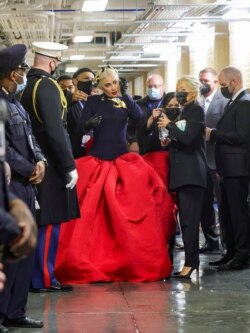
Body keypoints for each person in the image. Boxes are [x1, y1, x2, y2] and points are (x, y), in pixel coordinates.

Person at [54, 66, 176, 283]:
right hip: (98, 160)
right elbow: (81, 127)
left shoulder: (124, 101)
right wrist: (88, 124)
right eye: (107, 84)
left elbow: (138, 117)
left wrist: (126, 96)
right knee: (92, 211)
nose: (112, 87)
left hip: (123, 161)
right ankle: (95, 259)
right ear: (101, 87)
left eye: (115, 83)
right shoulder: (93, 102)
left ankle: (131, 260)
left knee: (135, 207)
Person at [20, 41, 80, 292]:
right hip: (51, 164)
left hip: (38, 160)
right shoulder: (46, 86)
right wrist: (68, 165)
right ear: (53, 62)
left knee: (44, 221)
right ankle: (42, 277)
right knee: (48, 222)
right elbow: (56, 130)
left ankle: (45, 275)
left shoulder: (27, 86)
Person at [0, 44, 45, 330]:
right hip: (11, 187)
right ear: (10, 72)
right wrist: (29, 169)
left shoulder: (15, 102)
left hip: (27, 185)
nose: (23, 74)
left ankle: (16, 311)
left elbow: (30, 139)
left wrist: (40, 161)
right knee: (10, 251)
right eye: (21, 69)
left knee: (25, 249)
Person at [158, 75, 207, 278]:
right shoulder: (184, 111)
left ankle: (191, 262)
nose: (178, 92)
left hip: (192, 174)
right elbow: (181, 137)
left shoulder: (195, 110)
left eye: (182, 89)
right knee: (185, 220)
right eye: (177, 88)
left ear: (193, 93)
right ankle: (190, 261)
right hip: (182, 175)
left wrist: (170, 125)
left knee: (189, 221)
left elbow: (188, 138)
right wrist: (170, 140)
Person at [206, 66, 250, 270]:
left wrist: (214, 134)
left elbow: (241, 136)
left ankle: (241, 255)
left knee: (238, 213)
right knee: (226, 213)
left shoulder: (244, 103)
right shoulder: (235, 102)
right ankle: (230, 251)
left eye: (223, 85)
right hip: (227, 169)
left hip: (237, 169)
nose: (221, 89)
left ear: (234, 82)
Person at [198, 67, 228, 253]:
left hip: (217, 161)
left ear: (215, 82)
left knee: (223, 203)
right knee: (204, 204)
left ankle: (227, 242)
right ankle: (211, 241)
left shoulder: (224, 102)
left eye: (206, 81)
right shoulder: (197, 101)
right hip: (201, 161)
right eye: (200, 80)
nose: (203, 84)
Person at [127, 74, 166, 154]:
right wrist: (133, 141)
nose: (152, 89)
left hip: (164, 148)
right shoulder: (137, 105)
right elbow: (130, 126)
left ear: (163, 87)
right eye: (150, 86)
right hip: (143, 147)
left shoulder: (170, 104)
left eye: (156, 86)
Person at [67, 67, 95, 158]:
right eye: (86, 78)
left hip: (92, 150)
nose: (90, 82)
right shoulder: (67, 101)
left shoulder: (93, 102)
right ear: (75, 81)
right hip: (73, 151)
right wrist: (70, 100)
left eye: (92, 79)